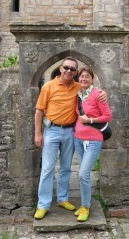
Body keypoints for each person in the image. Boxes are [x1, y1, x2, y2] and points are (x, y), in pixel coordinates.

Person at [34, 57, 106, 220]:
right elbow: (39, 111)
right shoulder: (48, 86)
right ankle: (43, 205)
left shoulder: (77, 88)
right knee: (47, 169)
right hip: (51, 131)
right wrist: (38, 134)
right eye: (66, 67)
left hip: (70, 132)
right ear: (60, 68)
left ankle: (62, 199)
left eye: (73, 69)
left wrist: (104, 93)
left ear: (75, 72)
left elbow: (93, 91)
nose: (69, 71)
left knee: (66, 168)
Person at [73, 67, 112, 222]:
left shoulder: (97, 94)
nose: (84, 79)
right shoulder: (77, 93)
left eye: (87, 77)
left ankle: (86, 206)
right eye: (81, 76)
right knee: (84, 175)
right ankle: (84, 204)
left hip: (94, 139)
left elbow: (108, 116)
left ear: (92, 79)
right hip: (78, 138)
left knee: (83, 174)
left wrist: (89, 120)